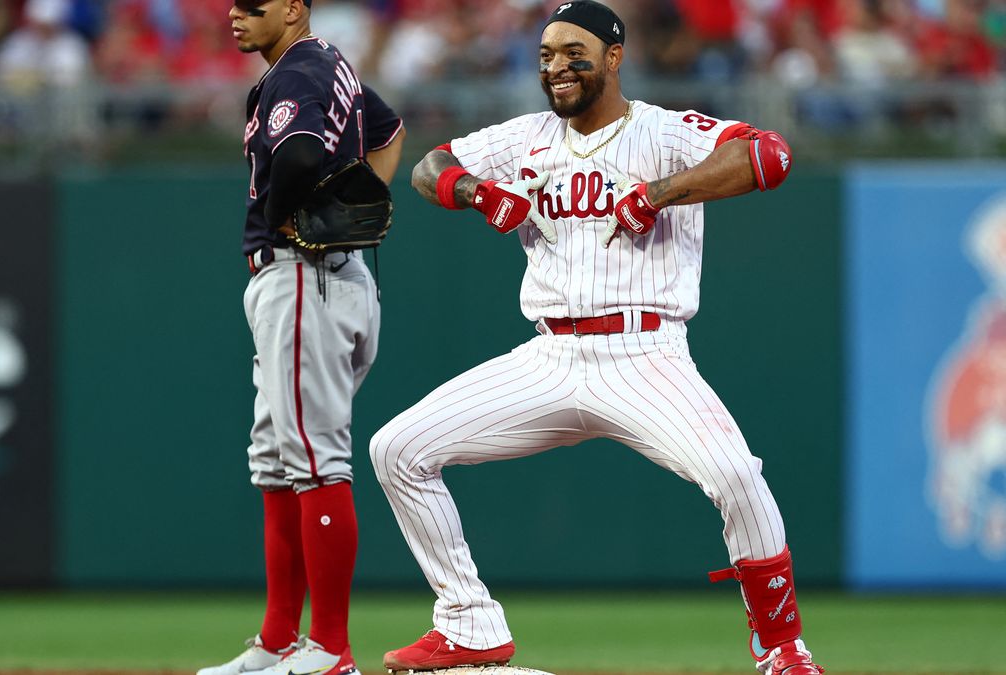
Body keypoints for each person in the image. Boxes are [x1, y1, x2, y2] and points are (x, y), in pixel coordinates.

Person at [369, 2, 823, 675]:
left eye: (572, 51)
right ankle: (468, 620)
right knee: (397, 448)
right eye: (547, 54)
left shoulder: (664, 132)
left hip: (645, 354)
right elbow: (428, 165)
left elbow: (769, 154)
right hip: (550, 355)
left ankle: (783, 648)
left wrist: (662, 191)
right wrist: (475, 192)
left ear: (614, 56)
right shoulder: (525, 137)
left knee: (735, 474)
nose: (556, 66)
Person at [197, 2, 404, 675]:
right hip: (316, 279)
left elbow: (303, 153)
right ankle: (279, 637)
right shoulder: (328, 65)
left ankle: (332, 649)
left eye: (253, 6)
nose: (235, 15)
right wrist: (361, 199)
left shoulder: (301, 68)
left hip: (304, 277)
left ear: (292, 9)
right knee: (278, 460)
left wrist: (288, 217)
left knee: (315, 458)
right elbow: (389, 129)